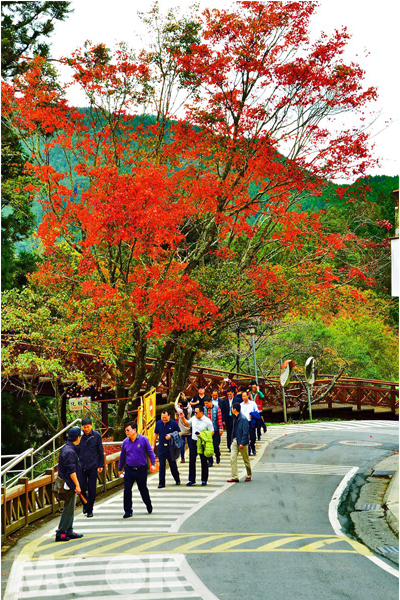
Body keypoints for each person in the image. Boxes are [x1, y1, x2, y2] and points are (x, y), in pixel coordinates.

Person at [118, 421, 156, 518]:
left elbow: (150, 452)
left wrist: (153, 464)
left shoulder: (143, 440)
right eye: (125, 430)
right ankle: (128, 511)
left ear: (134, 430)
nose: (126, 432)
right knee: (127, 490)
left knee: (142, 489)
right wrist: (119, 468)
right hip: (129, 469)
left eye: (128, 430)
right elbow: (122, 456)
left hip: (141, 469)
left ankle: (148, 504)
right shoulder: (125, 442)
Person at [55, 426, 84, 542]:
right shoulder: (69, 451)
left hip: (69, 483)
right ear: (78, 437)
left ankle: (69, 530)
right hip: (68, 484)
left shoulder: (69, 448)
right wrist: (77, 485)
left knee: (71, 507)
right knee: (68, 508)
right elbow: (71, 470)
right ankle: (61, 532)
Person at [178, 406, 213, 486]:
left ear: (201, 412)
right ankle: (191, 479)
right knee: (192, 460)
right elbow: (187, 424)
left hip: (202, 441)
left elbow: (212, 432)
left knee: (203, 461)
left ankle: (204, 479)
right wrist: (183, 418)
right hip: (193, 441)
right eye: (194, 412)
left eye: (196, 412)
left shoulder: (207, 421)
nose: (195, 414)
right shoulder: (194, 418)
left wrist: (203, 435)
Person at [78, 417, 104, 518]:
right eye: (84, 427)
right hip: (82, 466)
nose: (86, 429)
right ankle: (85, 504)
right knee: (82, 488)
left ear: (91, 426)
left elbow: (100, 451)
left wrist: (100, 464)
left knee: (92, 488)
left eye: (88, 427)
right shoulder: (80, 436)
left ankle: (90, 509)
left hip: (93, 465)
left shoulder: (96, 436)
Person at [152, 409, 181, 488]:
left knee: (172, 465)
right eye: (162, 417)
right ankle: (161, 482)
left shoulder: (173, 424)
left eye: (165, 417)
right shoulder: (158, 424)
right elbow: (155, 434)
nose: (164, 418)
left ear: (169, 416)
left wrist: (171, 435)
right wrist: (153, 445)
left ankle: (177, 479)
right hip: (161, 447)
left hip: (170, 447)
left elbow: (180, 433)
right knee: (162, 465)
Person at [227, 403, 252, 483]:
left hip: (242, 441)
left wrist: (243, 442)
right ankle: (235, 476)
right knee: (232, 458)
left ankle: (249, 474)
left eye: (232, 408)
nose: (231, 409)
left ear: (234, 409)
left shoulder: (243, 419)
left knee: (246, 459)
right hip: (235, 440)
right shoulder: (234, 417)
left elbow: (246, 432)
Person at [203, 397, 223, 466]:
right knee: (208, 446)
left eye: (207, 403)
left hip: (215, 430)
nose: (206, 405)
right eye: (205, 403)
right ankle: (210, 460)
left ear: (210, 402)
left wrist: (221, 429)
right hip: (207, 431)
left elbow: (219, 419)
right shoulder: (204, 409)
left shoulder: (217, 408)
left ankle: (217, 455)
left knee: (215, 445)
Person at [174, 392, 192, 463]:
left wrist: (178, 397)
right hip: (189, 430)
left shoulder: (180, 411)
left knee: (182, 445)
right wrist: (184, 397)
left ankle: (182, 458)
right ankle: (191, 457)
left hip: (181, 431)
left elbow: (175, 404)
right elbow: (188, 404)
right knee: (190, 445)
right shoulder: (189, 410)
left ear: (181, 405)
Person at [240, 391, 259, 456]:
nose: (244, 397)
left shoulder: (252, 404)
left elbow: (257, 412)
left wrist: (253, 415)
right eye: (243, 396)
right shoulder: (241, 405)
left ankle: (252, 446)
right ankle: (248, 449)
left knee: (253, 436)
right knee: (246, 436)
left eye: (245, 396)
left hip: (251, 422)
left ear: (248, 396)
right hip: (244, 423)